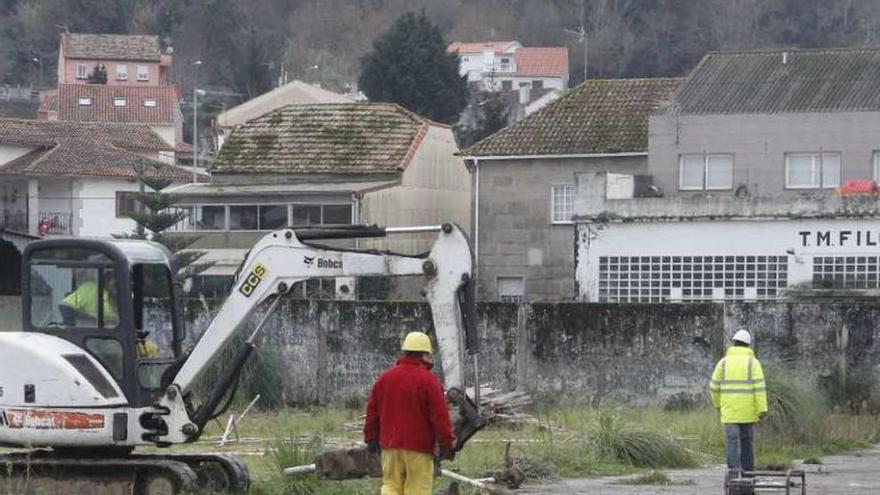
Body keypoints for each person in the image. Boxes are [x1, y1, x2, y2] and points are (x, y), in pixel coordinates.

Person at [364, 331, 456, 495]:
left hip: (390, 447)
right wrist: (446, 444)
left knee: (390, 487)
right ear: (424, 355)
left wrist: (371, 439)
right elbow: (440, 417)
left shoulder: (385, 378)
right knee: (417, 489)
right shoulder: (429, 381)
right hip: (419, 448)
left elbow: (372, 412)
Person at [710, 329, 768, 477]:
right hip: (748, 412)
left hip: (729, 412)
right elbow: (760, 387)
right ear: (748, 345)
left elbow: (713, 387)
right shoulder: (753, 363)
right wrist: (762, 410)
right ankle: (749, 473)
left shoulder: (723, 363)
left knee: (732, 441)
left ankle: (734, 473)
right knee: (747, 442)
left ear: (734, 343)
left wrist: (718, 405)